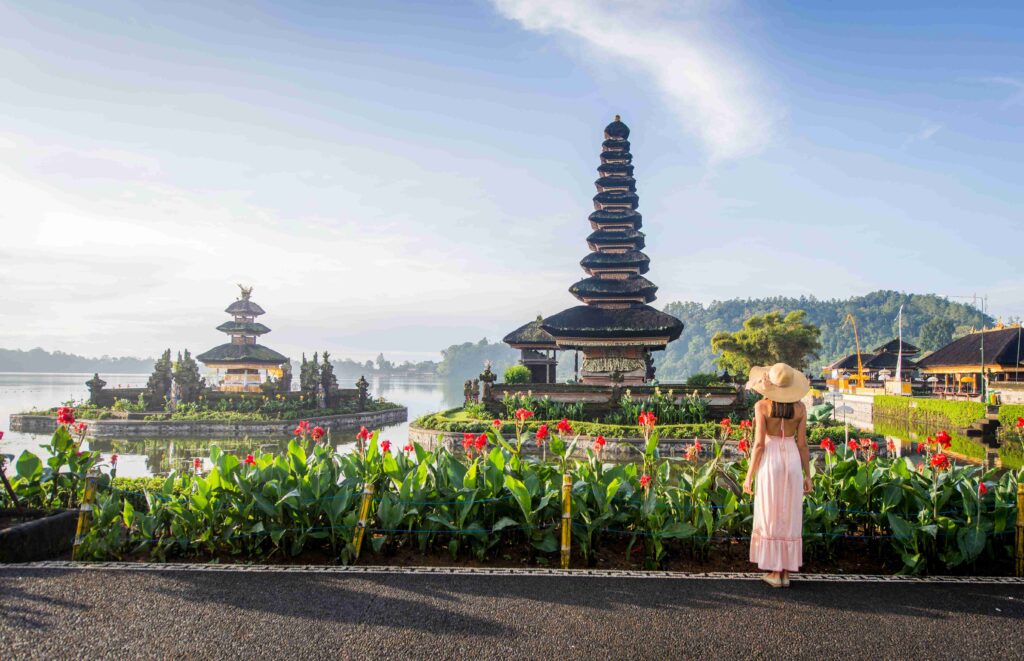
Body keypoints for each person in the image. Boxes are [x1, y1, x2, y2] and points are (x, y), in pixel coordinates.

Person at [742, 362, 812, 588]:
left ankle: (774, 572)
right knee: (788, 513)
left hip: (771, 460)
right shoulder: (800, 409)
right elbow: (802, 445)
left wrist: (749, 476)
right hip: (792, 459)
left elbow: (759, 444)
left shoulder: (762, 406)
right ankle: (785, 573)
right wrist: (808, 475)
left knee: (770, 512)